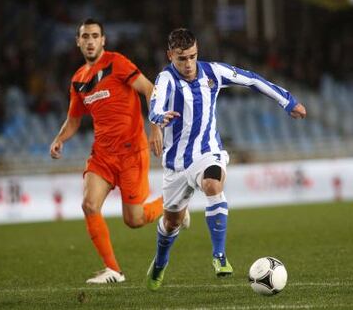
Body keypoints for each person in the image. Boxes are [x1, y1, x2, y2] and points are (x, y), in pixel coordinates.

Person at [146, 28, 307, 291]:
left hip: (209, 151)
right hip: (175, 163)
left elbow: (252, 80)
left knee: (213, 184)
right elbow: (155, 105)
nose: (188, 64)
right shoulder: (165, 79)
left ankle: (219, 256)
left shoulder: (213, 72)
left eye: (192, 56)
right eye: (181, 59)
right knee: (171, 222)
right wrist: (158, 117)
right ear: (170, 56)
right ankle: (160, 263)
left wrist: (288, 101)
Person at [50, 18, 165, 284]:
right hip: (102, 154)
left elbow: (150, 90)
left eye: (94, 36)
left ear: (103, 40)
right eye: (85, 36)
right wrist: (59, 139)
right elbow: (74, 120)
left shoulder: (117, 63)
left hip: (131, 152)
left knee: (134, 220)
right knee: (89, 205)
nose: (90, 41)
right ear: (78, 41)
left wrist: (155, 128)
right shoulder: (78, 80)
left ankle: (173, 207)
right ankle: (113, 269)